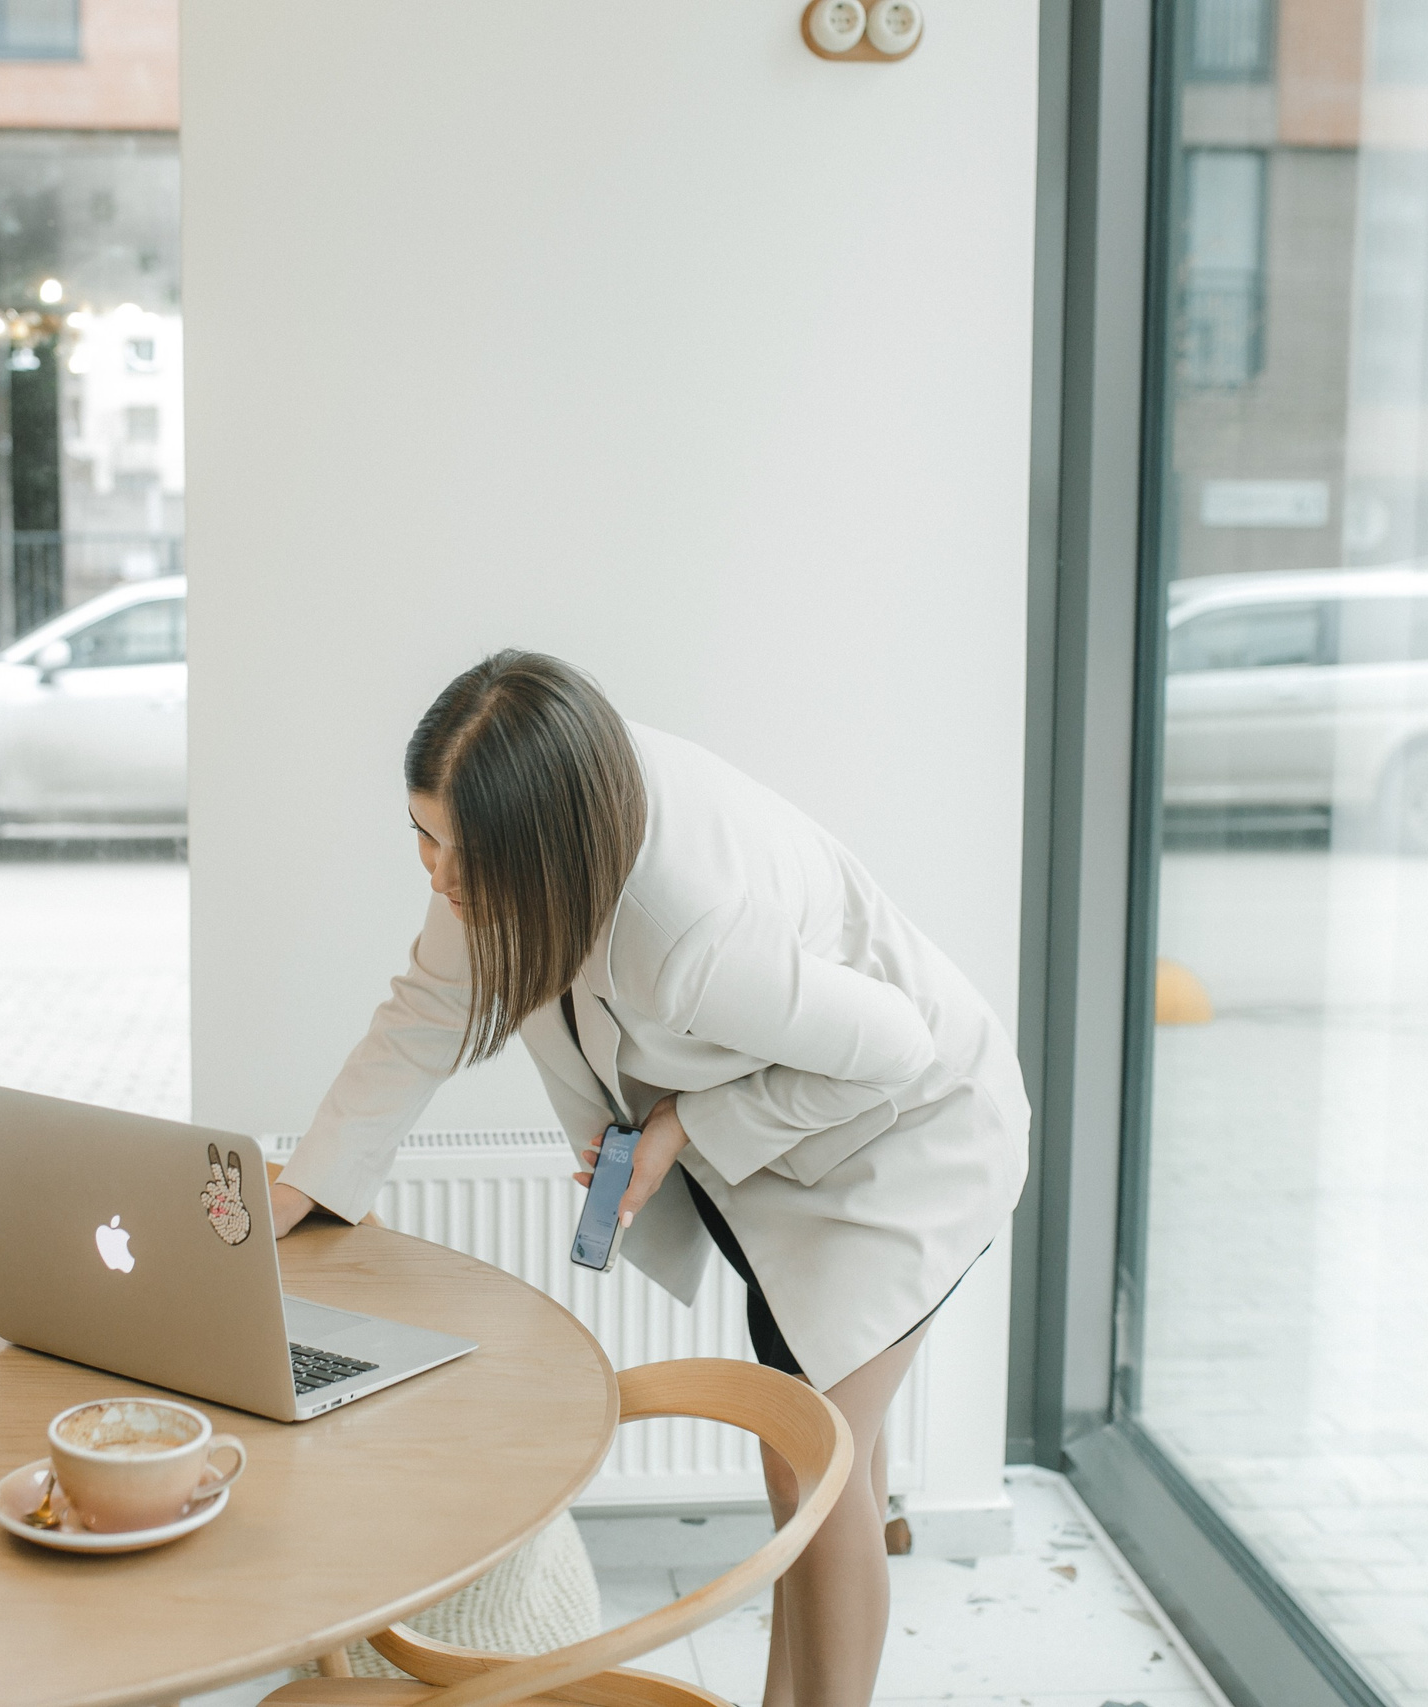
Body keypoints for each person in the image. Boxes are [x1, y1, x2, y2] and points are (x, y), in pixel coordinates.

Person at [271, 652, 1028, 1707]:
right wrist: (307, 1183)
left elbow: (898, 1050)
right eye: (421, 834)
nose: (438, 878)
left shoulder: (688, 936)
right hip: (800, 1132)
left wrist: (688, 1122)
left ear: (548, 844)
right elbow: (424, 1012)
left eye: (460, 853)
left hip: (908, 1141)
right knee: (822, 1460)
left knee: (811, 1468)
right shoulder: (516, 829)